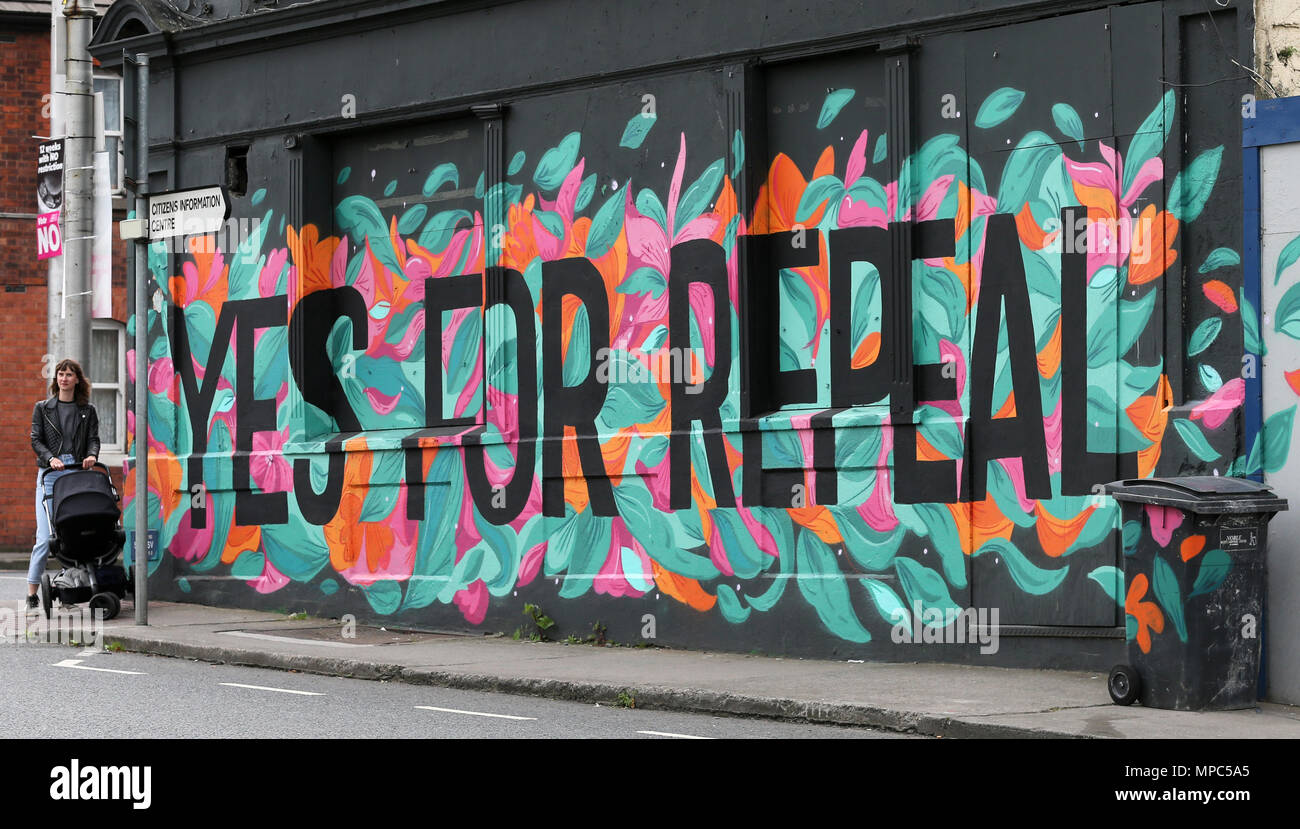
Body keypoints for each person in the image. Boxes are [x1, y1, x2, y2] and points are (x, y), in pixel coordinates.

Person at [27, 359, 100, 610]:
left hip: (77, 472)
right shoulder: (42, 408)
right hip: (50, 473)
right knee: (45, 537)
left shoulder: (87, 410)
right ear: (56, 378)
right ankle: (32, 593)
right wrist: (51, 458)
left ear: (77, 379)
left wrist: (91, 456)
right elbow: (36, 439)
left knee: (72, 530)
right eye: (61, 374)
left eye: (69, 374)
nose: (64, 378)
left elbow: (93, 439)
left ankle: (71, 588)